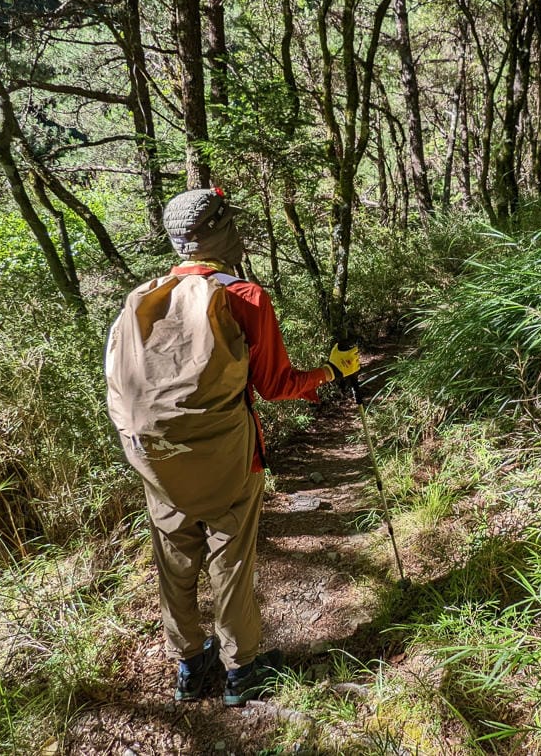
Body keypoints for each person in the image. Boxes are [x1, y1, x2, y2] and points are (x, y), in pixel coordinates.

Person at [105, 187, 359, 706]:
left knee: (174, 559)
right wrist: (333, 371)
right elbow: (277, 385)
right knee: (231, 556)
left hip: (157, 461)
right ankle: (242, 671)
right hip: (228, 457)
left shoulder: (141, 299)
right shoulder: (244, 298)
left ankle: (190, 667)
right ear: (222, 232)